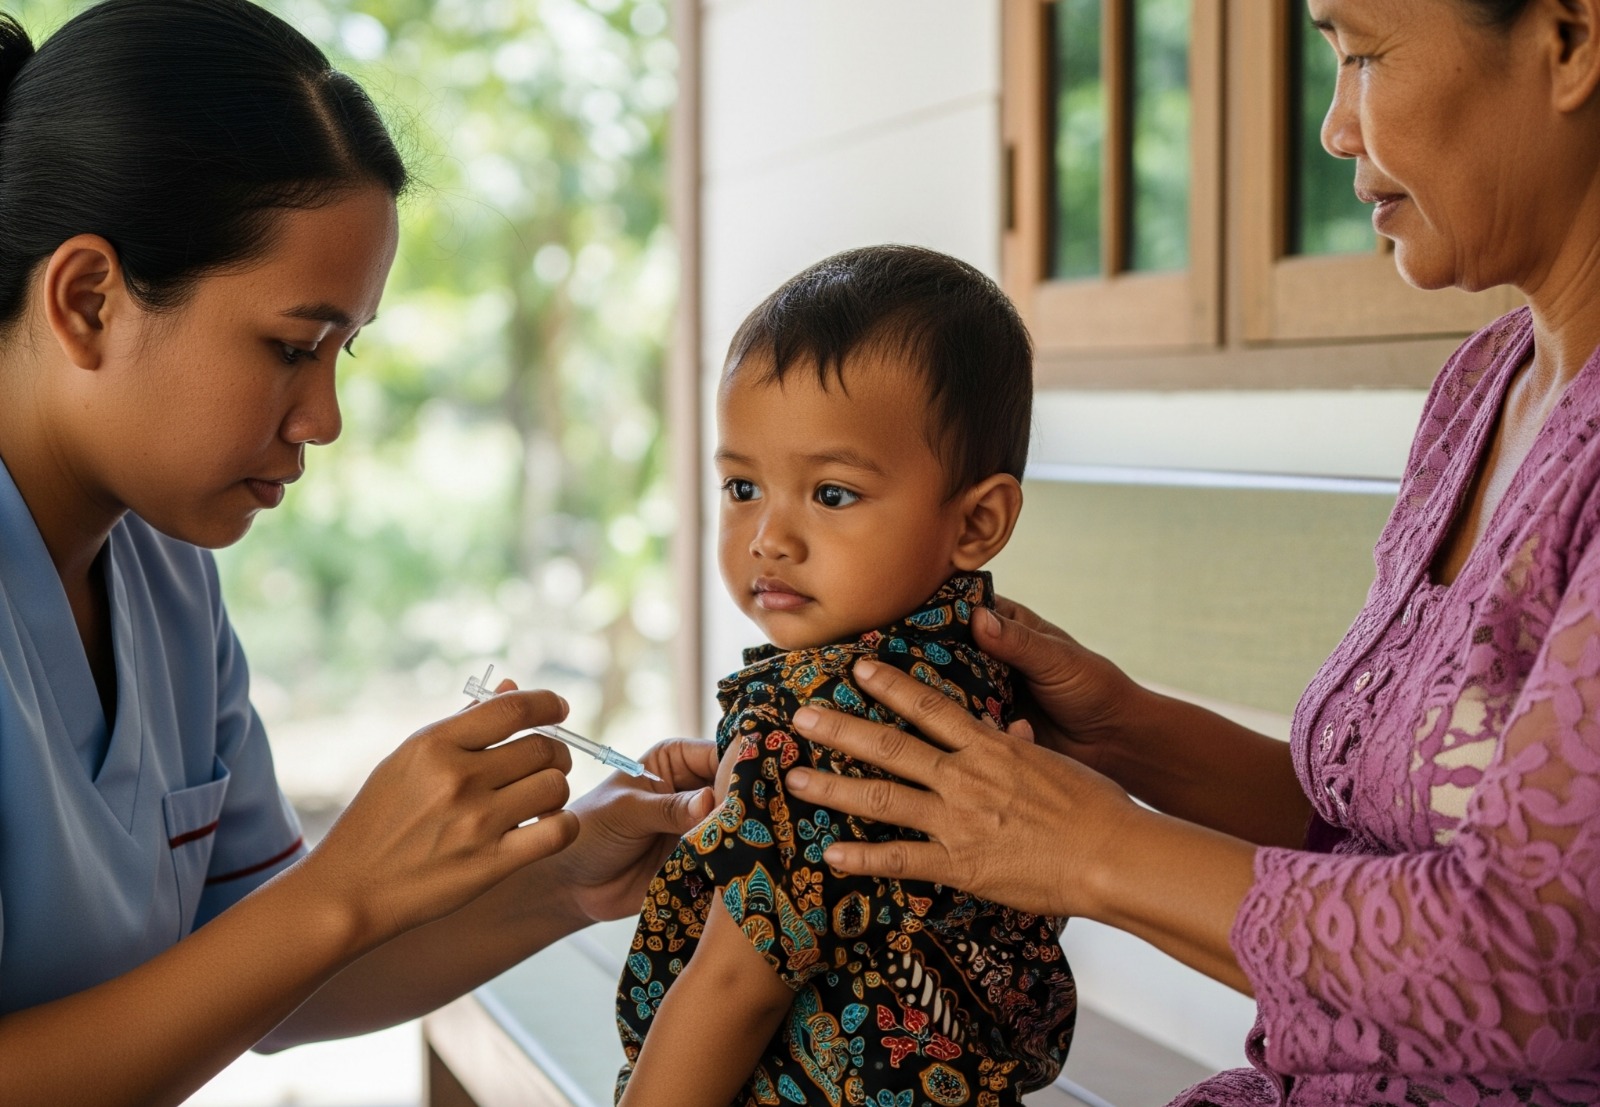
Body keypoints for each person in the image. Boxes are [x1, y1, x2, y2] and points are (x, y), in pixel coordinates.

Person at [779, 1, 1600, 1104]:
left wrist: (1093, 852)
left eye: (1359, 55)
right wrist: (1124, 730)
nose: (1333, 130)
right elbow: (1379, 844)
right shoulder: (1482, 389)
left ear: (1568, 40)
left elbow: (1530, 984)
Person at [0, 3, 717, 1104]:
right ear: (89, 299)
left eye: (343, 350)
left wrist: (566, 873)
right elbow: (298, 931)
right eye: (292, 346)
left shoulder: (166, 575)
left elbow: (258, 971)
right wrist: (346, 886)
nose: (324, 418)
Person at [613, 246, 1077, 1107]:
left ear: (977, 521)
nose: (769, 538)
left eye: (831, 494)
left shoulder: (820, 718)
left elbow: (731, 987)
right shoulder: (976, 676)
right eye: (743, 485)